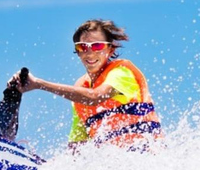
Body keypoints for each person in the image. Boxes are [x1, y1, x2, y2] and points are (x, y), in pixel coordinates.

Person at [12, 19, 161, 149]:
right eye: (82, 47)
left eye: (97, 46)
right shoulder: (80, 90)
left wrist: (38, 84)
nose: (89, 53)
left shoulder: (121, 73)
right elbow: (77, 146)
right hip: (112, 168)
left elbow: (95, 97)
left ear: (110, 49)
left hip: (144, 160)